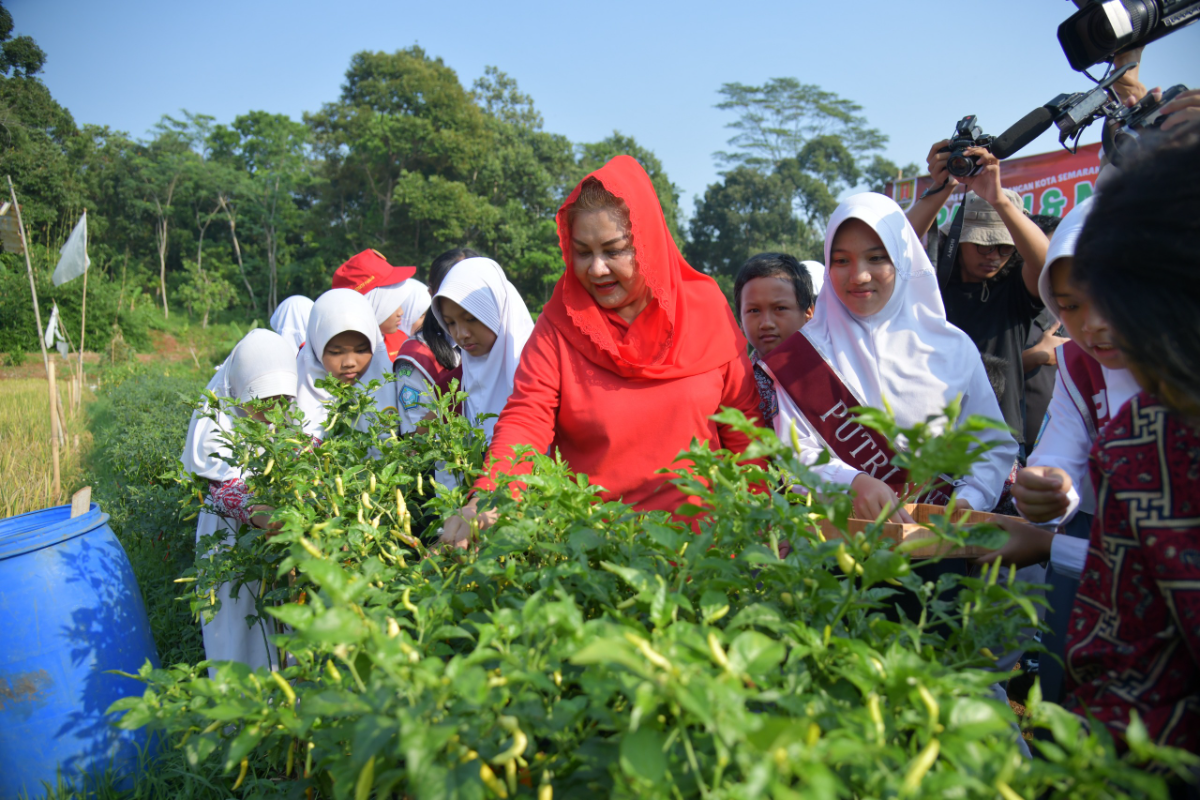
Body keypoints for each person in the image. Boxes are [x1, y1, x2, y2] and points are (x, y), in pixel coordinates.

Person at [987, 124, 1200, 757]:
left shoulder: (1153, 430)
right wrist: (1048, 488)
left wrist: (1051, 532)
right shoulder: (1083, 370)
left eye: (1113, 297)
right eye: (1072, 306)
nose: (1097, 326)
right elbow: (1062, 455)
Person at [441, 156, 763, 546]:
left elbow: (743, 429)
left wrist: (760, 525)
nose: (596, 269)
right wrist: (490, 496)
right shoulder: (560, 323)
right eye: (582, 252)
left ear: (648, 244)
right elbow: (527, 417)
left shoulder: (706, 310)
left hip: (705, 549)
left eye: (614, 251)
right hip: (596, 549)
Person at [758, 192, 1018, 523]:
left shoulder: (953, 348)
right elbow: (794, 454)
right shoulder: (799, 357)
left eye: (877, 258)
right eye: (841, 261)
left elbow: (991, 447)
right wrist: (853, 482)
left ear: (902, 258)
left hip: (937, 537)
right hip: (836, 539)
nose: (859, 276)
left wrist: (969, 500)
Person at [906, 144, 1050, 459]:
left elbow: (1046, 265)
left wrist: (998, 200)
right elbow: (892, 248)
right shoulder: (932, 281)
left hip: (998, 439)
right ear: (957, 240)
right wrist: (942, 188)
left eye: (1004, 247)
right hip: (931, 434)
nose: (994, 255)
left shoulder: (1015, 290)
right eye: (983, 245)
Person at [180, 329, 298, 672]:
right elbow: (222, 489)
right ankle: (243, 701)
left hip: (276, 530)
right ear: (237, 389)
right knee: (240, 628)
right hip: (231, 540)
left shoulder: (287, 417)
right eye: (260, 401)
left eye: (281, 400)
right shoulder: (216, 421)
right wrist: (264, 515)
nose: (272, 410)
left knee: (283, 623)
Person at [430, 256, 534, 442]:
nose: (461, 334)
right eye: (450, 323)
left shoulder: (537, 373)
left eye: (471, 319)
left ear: (497, 309)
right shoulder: (451, 388)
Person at [394, 248, 476, 435]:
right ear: (432, 294)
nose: (462, 299)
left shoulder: (504, 346)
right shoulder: (418, 356)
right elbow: (414, 437)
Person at [295, 288, 394, 440]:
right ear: (316, 348)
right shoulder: (295, 400)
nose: (349, 363)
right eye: (335, 352)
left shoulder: (392, 388)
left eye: (361, 350)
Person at [733, 252, 816, 428]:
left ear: (808, 313)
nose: (766, 323)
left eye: (780, 308)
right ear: (741, 322)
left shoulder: (831, 371)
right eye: (754, 311)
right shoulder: (737, 388)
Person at [331, 249, 425, 362]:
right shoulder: (336, 351)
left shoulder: (400, 340)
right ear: (371, 304)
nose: (401, 312)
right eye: (393, 304)